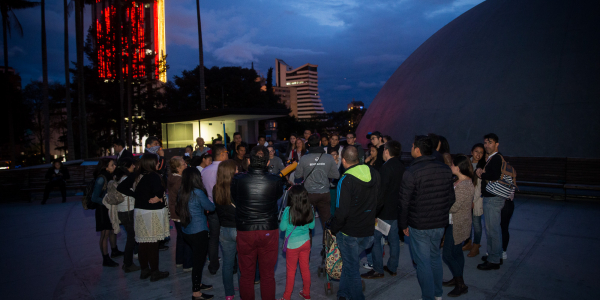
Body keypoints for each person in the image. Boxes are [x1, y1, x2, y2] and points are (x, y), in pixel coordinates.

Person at [399, 135, 455, 300]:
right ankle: (438, 294)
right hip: (439, 224)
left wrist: (403, 225)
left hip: (419, 225)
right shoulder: (445, 169)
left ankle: (428, 297)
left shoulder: (411, 172)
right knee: (435, 257)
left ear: (417, 149)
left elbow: (403, 203)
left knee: (423, 262)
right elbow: (451, 198)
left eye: (412, 146)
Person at [232, 146, 284, 300]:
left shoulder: (238, 179)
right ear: (267, 162)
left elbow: (235, 199)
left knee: (246, 275)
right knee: (267, 275)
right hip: (268, 230)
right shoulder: (275, 180)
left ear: (250, 161)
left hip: (245, 230)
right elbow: (277, 197)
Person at [330, 146, 380, 300]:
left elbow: (341, 212)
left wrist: (334, 228)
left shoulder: (345, 180)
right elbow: (380, 200)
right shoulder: (374, 173)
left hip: (349, 233)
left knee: (352, 270)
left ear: (344, 161)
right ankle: (343, 293)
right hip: (368, 231)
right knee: (350, 263)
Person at [117, 154, 170, 282]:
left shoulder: (136, 175)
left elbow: (121, 187)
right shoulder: (154, 176)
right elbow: (159, 191)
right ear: (152, 163)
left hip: (140, 212)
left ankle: (144, 270)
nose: (159, 164)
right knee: (153, 243)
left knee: (143, 243)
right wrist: (158, 196)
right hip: (152, 213)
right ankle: (155, 272)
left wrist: (136, 195)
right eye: (157, 162)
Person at [362, 140, 405, 279]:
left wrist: (375, 212)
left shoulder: (386, 168)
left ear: (386, 151)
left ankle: (378, 269)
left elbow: (381, 193)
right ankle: (393, 267)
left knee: (375, 240)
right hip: (396, 210)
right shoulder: (401, 166)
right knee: (394, 240)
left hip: (384, 212)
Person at [177, 168, 215, 300]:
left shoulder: (181, 192)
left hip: (187, 230)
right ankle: (196, 293)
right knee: (199, 263)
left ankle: (197, 283)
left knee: (196, 260)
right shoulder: (197, 192)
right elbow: (211, 207)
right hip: (199, 231)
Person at [442, 155, 475, 297]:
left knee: (448, 254)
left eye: (452, 164)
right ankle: (456, 279)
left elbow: (454, 207)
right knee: (456, 252)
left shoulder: (465, 185)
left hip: (458, 223)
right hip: (454, 222)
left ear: (458, 167)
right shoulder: (459, 181)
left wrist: (440, 205)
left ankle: (461, 284)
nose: (450, 166)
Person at [295, 134, 340, 231]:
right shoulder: (329, 158)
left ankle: (308, 244)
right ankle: (328, 245)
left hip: (309, 194)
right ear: (320, 143)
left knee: (307, 223)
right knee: (327, 222)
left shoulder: (304, 158)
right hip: (324, 193)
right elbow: (336, 175)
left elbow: (297, 176)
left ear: (309, 145)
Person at [278, 186, 315, 300]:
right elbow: (312, 226)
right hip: (305, 243)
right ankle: (306, 293)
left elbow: (282, 228)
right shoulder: (309, 208)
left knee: (291, 271)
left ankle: (287, 296)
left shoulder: (288, 211)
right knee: (305, 268)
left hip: (292, 245)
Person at [475, 133, 505, 270]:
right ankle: (495, 255)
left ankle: (494, 260)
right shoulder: (493, 158)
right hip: (492, 198)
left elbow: (494, 175)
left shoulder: (496, 158)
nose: (487, 145)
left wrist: (481, 173)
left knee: (492, 230)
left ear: (496, 144)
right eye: (485, 143)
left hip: (493, 199)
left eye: (490, 142)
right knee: (493, 229)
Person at [214, 160, 239, 300]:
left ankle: (229, 294)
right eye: (235, 169)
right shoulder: (236, 187)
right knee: (242, 263)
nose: (238, 171)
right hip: (238, 229)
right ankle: (243, 290)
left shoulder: (216, 188)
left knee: (227, 264)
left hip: (224, 229)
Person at [202, 144, 229, 274]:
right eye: (227, 153)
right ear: (222, 154)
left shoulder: (205, 170)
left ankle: (213, 266)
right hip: (225, 207)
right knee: (228, 237)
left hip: (211, 207)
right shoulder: (225, 170)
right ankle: (231, 265)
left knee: (213, 238)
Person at [92, 158, 122, 267]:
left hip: (108, 208)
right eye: (112, 165)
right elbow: (94, 197)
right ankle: (105, 258)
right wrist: (106, 202)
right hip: (102, 209)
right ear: (105, 167)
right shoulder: (101, 179)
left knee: (112, 230)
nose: (114, 167)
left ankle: (114, 251)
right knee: (104, 234)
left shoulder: (110, 177)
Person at [114, 158, 140, 273]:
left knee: (131, 236)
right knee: (131, 237)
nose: (134, 167)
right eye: (133, 165)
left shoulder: (118, 177)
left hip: (122, 210)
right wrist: (135, 194)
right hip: (127, 210)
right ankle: (128, 263)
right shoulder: (126, 178)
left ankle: (127, 263)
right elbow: (124, 190)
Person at [168, 156, 193, 272]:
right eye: (183, 164)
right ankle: (187, 264)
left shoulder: (172, 178)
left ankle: (179, 260)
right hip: (180, 212)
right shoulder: (179, 181)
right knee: (187, 237)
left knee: (180, 237)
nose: (186, 165)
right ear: (178, 168)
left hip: (174, 212)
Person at [463, 143, 485, 257]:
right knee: (467, 222)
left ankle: (476, 246)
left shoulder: (482, 166)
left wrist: (473, 200)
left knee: (476, 223)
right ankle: (468, 242)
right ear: (472, 152)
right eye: (476, 151)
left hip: (476, 199)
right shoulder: (467, 164)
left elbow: (480, 188)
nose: (478, 154)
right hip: (466, 197)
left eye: (481, 152)